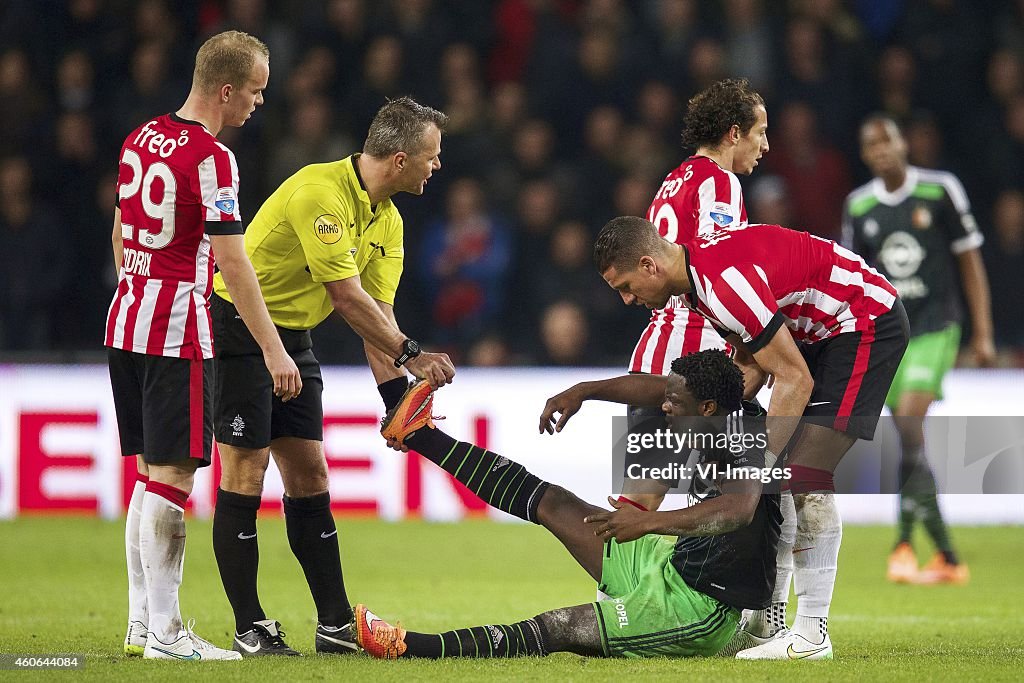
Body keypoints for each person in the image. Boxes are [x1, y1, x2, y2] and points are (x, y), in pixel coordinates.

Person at [594, 216, 909, 659]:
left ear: (649, 265)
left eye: (626, 286)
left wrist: (758, 462)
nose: (628, 299)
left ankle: (812, 635)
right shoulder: (697, 286)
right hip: (818, 333)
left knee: (801, 475)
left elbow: (792, 378)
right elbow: (752, 364)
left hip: (862, 319)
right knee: (773, 471)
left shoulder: (721, 286)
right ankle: (767, 622)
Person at [209, 96, 456, 656]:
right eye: (432, 157)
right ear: (399, 159)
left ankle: (335, 624)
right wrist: (413, 353)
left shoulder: (388, 221)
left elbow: (378, 318)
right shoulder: (320, 192)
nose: (436, 166)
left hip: (294, 338)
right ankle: (250, 627)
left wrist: (398, 399)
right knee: (245, 473)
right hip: (238, 328)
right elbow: (346, 298)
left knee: (311, 475)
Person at [353, 350, 781, 660]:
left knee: (558, 627)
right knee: (554, 501)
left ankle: (408, 646)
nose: (664, 406)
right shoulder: (718, 406)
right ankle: (419, 435)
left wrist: (649, 523)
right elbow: (651, 389)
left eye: (674, 404)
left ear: (706, 407)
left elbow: (738, 510)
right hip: (667, 564)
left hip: (700, 606)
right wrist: (584, 390)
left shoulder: (748, 437)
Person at [107, 31, 302, 661]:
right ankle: (166, 633)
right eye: (255, 91)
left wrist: (137, 283)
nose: (257, 103)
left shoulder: (141, 136)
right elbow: (233, 264)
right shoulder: (213, 158)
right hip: (177, 329)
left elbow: (119, 228)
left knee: (146, 473)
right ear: (226, 90)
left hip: (127, 316)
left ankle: (143, 625)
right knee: (172, 476)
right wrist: (274, 349)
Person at [843, 115, 995, 585]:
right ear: (866, 155)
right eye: (872, 144)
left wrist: (983, 333)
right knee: (909, 441)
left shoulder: (940, 190)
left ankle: (905, 546)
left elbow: (969, 259)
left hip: (935, 326)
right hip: (890, 334)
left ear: (903, 142)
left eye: (887, 138)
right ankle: (943, 555)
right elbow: (855, 280)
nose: (882, 149)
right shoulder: (859, 204)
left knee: (909, 423)